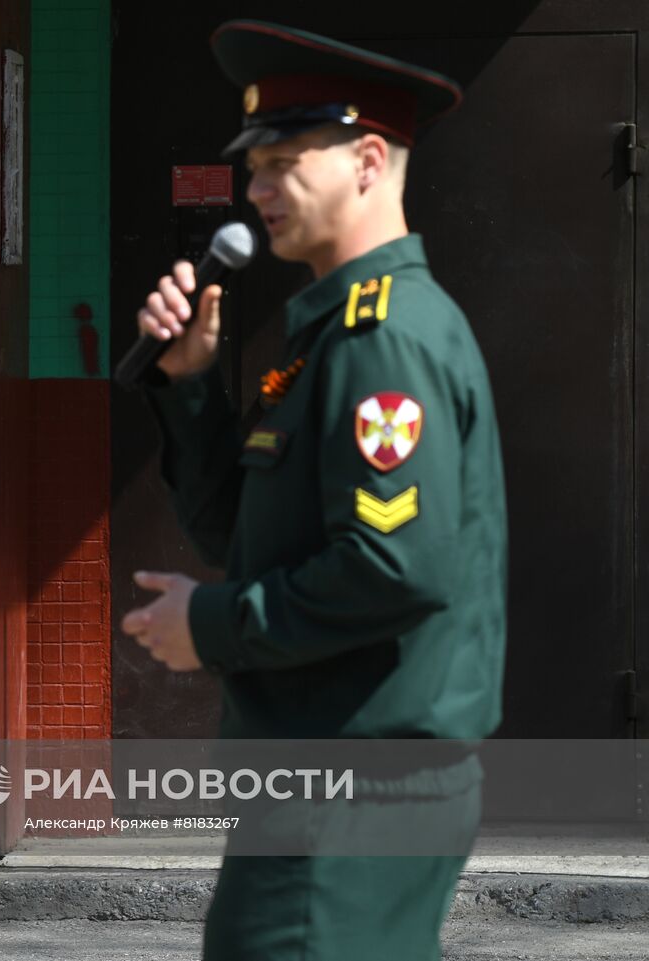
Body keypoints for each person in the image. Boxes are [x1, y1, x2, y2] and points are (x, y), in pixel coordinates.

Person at [119, 21, 507, 961]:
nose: (256, 191)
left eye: (285, 162)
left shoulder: (384, 337)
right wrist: (191, 382)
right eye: (253, 166)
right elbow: (240, 530)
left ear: (369, 160)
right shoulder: (328, 333)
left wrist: (212, 625)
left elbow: (393, 569)